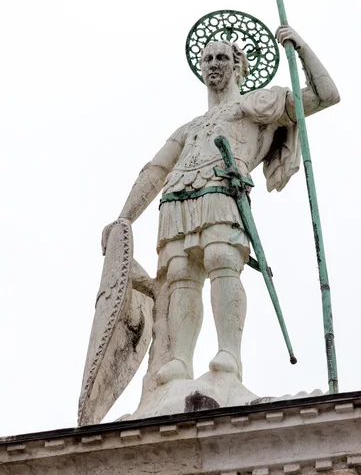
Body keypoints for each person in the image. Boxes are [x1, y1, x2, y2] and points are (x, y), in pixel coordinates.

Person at [101, 25, 340, 387]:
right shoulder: (190, 126)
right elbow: (156, 170)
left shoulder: (257, 105)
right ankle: (179, 359)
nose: (214, 64)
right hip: (178, 197)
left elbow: (325, 95)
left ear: (237, 65)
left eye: (222, 58)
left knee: (221, 258)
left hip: (223, 189)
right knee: (180, 272)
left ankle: (229, 353)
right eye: (208, 58)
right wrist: (125, 218)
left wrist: (301, 48)